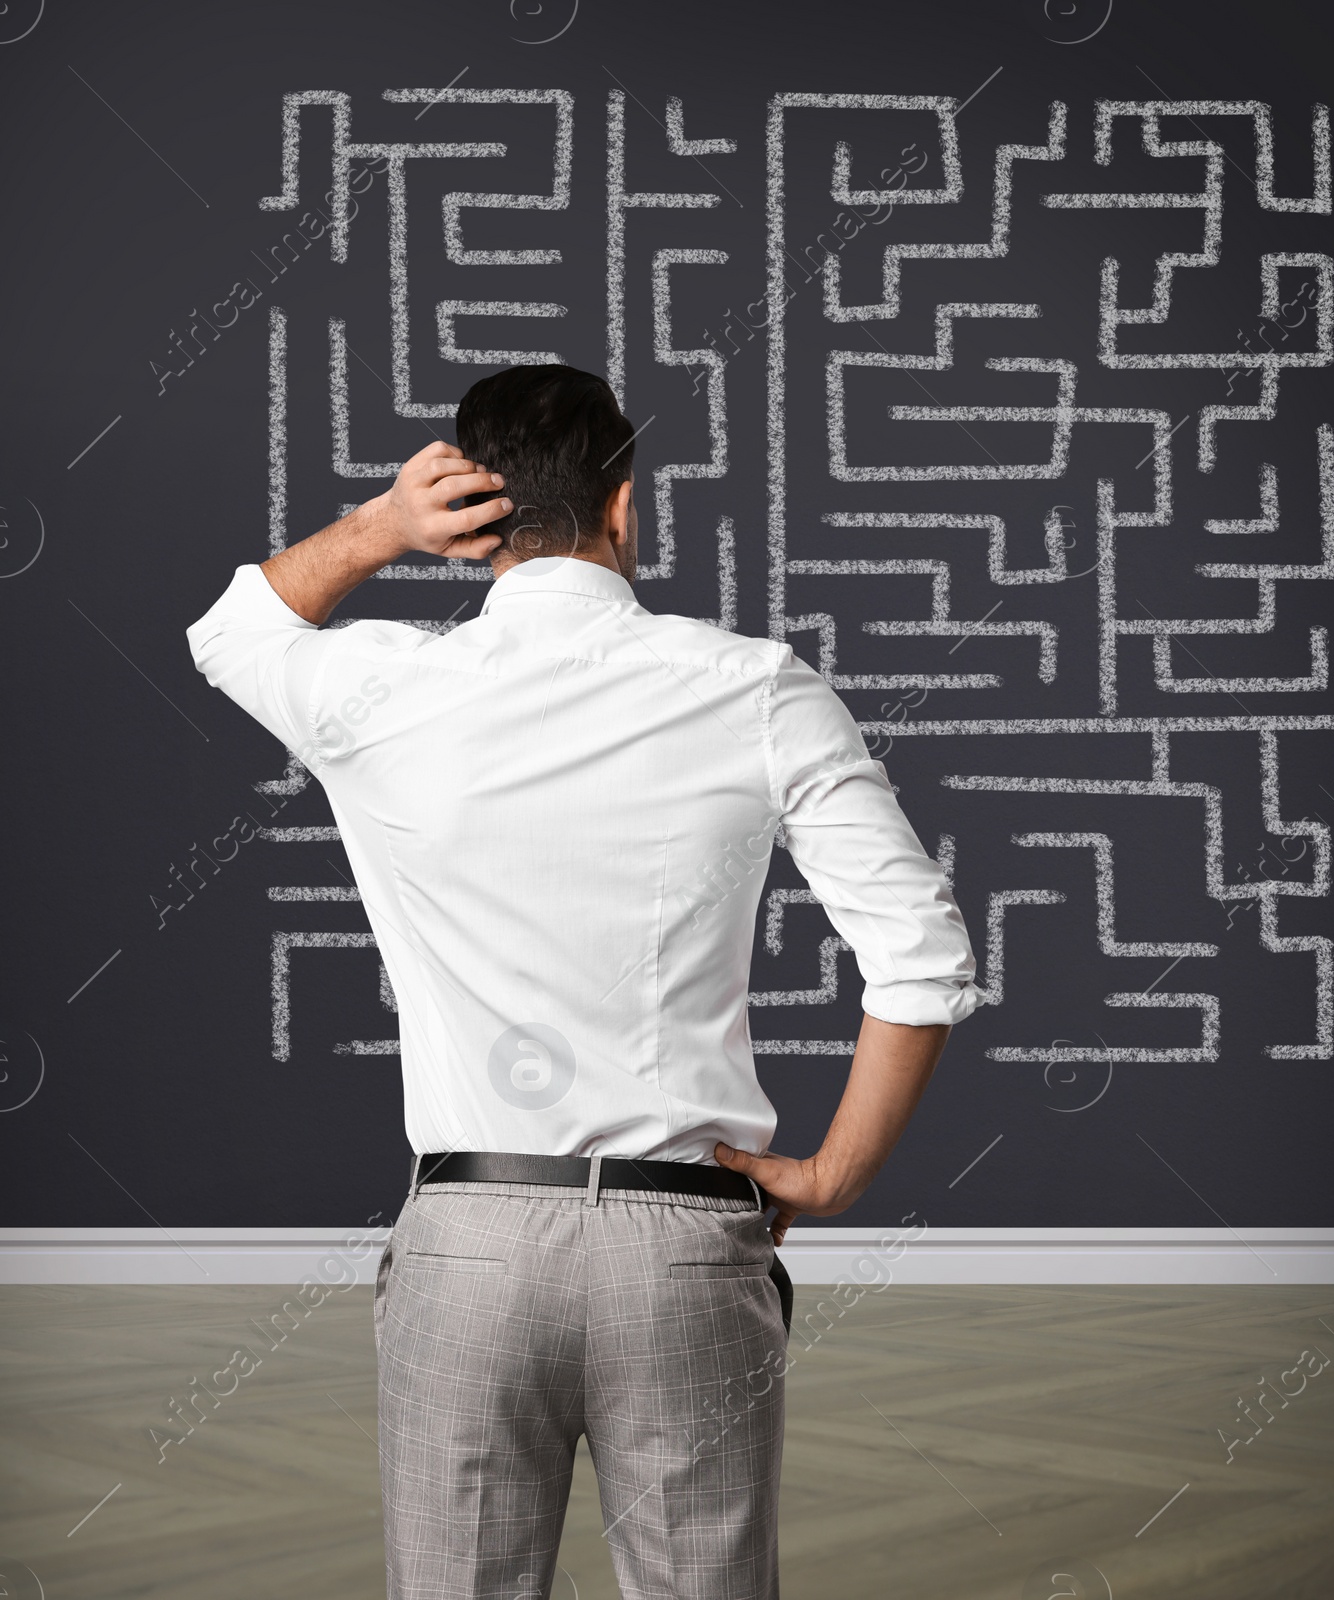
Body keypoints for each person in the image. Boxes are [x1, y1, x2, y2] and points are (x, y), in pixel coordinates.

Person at [187, 362, 981, 1599]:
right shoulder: (756, 685)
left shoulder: (380, 690)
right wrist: (832, 1175)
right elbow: (922, 959)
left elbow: (231, 631)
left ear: (476, 513)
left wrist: (384, 527)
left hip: (466, 1248)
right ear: (625, 505)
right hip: (684, 1251)